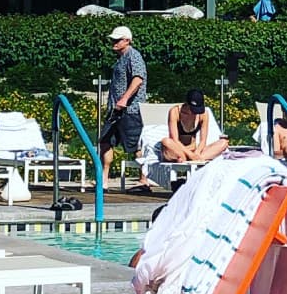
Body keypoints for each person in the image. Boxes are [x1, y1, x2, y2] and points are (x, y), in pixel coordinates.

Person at [98, 25, 147, 186]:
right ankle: (103, 179)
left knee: (135, 144)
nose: (114, 42)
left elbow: (138, 79)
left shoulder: (134, 56)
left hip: (131, 110)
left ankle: (144, 179)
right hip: (115, 110)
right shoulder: (121, 59)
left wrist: (125, 99)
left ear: (127, 40)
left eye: (117, 40)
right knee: (105, 141)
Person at [159, 89, 228, 168]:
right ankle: (187, 158)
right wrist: (190, 154)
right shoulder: (175, 112)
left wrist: (197, 153)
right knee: (166, 142)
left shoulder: (203, 114)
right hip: (180, 150)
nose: (194, 113)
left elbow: (203, 141)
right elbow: (174, 139)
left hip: (195, 151)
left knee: (223, 143)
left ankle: (194, 159)